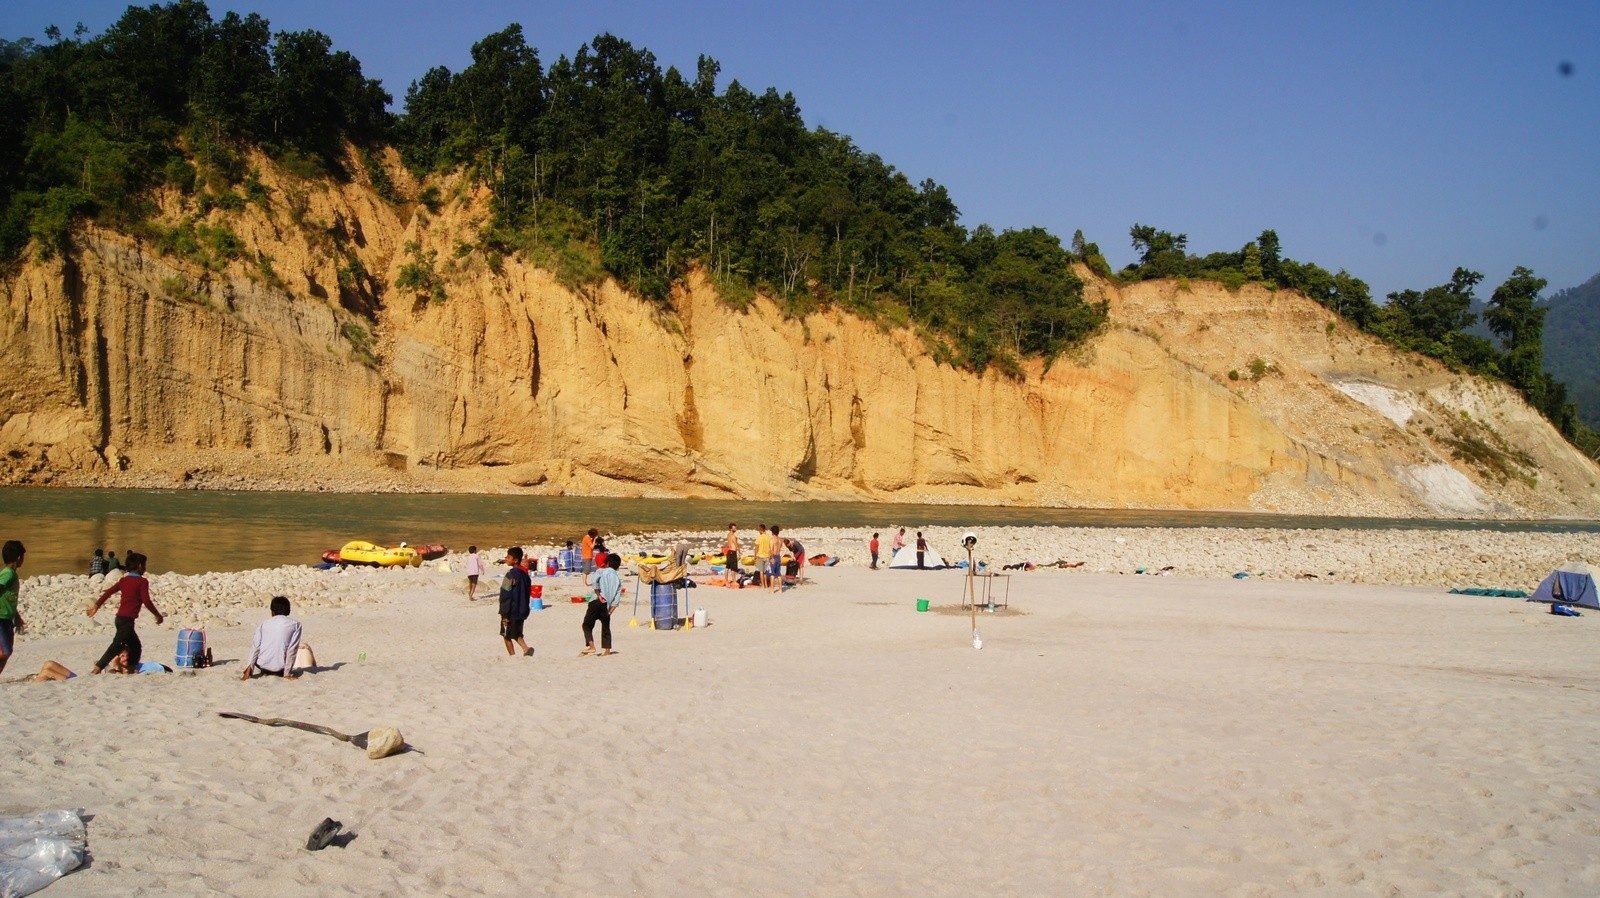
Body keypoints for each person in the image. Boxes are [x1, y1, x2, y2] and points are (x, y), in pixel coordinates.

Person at [88, 551, 163, 674]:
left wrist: (97, 605)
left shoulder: (124, 580)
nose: (145, 568)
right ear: (139, 566)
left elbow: (108, 592)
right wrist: (157, 615)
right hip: (126, 621)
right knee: (116, 645)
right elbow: (146, 601)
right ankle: (97, 668)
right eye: (144, 565)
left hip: (120, 619)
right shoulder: (142, 582)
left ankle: (130, 668)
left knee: (136, 646)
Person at [242, 595, 303, 680]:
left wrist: (249, 669)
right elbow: (292, 650)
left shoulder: (263, 624)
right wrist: (287, 673)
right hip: (281, 670)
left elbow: (255, 647)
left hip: (262, 666)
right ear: (288, 611)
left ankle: (250, 670)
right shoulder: (296, 625)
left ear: (272, 612)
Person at [582, 553, 623, 656]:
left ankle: (591, 646)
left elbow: (594, 583)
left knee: (587, 625)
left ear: (608, 563)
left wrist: (598, 594)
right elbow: (617, 598)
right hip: (607, 605)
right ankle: (607, 650)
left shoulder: (601, 571)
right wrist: (610, 611)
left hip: (596, 601)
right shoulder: (618, 579)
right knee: (606, 627)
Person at [499, 547, 533, 657]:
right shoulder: (525, 575)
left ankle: (514, 655)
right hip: (522, 610)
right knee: (517, 633)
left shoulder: (510, 575)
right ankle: (526, 649)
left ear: (515, 560)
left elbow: (505, 594)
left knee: (506, 635)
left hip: (511, 610)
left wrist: (504, 613)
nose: (506, 559)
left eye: (508, 557)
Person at [0, 540, 25, 676]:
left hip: (7, 618)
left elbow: (8, 599)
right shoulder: (8, 573)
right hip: (1, 618)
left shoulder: (12, 574)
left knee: (7, 652)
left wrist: (17, 616)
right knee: (6, 651)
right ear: (19, 558)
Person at [768, 526, 784, 593]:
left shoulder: (772, 540)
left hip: (774, 556)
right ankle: (780, 589)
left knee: (772, 574)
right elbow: (780, 548)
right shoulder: (780, 540)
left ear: (772, 532)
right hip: (778, 556)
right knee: (778, 574)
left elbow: (771, 550)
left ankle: (772, 589)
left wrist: (771, 558)